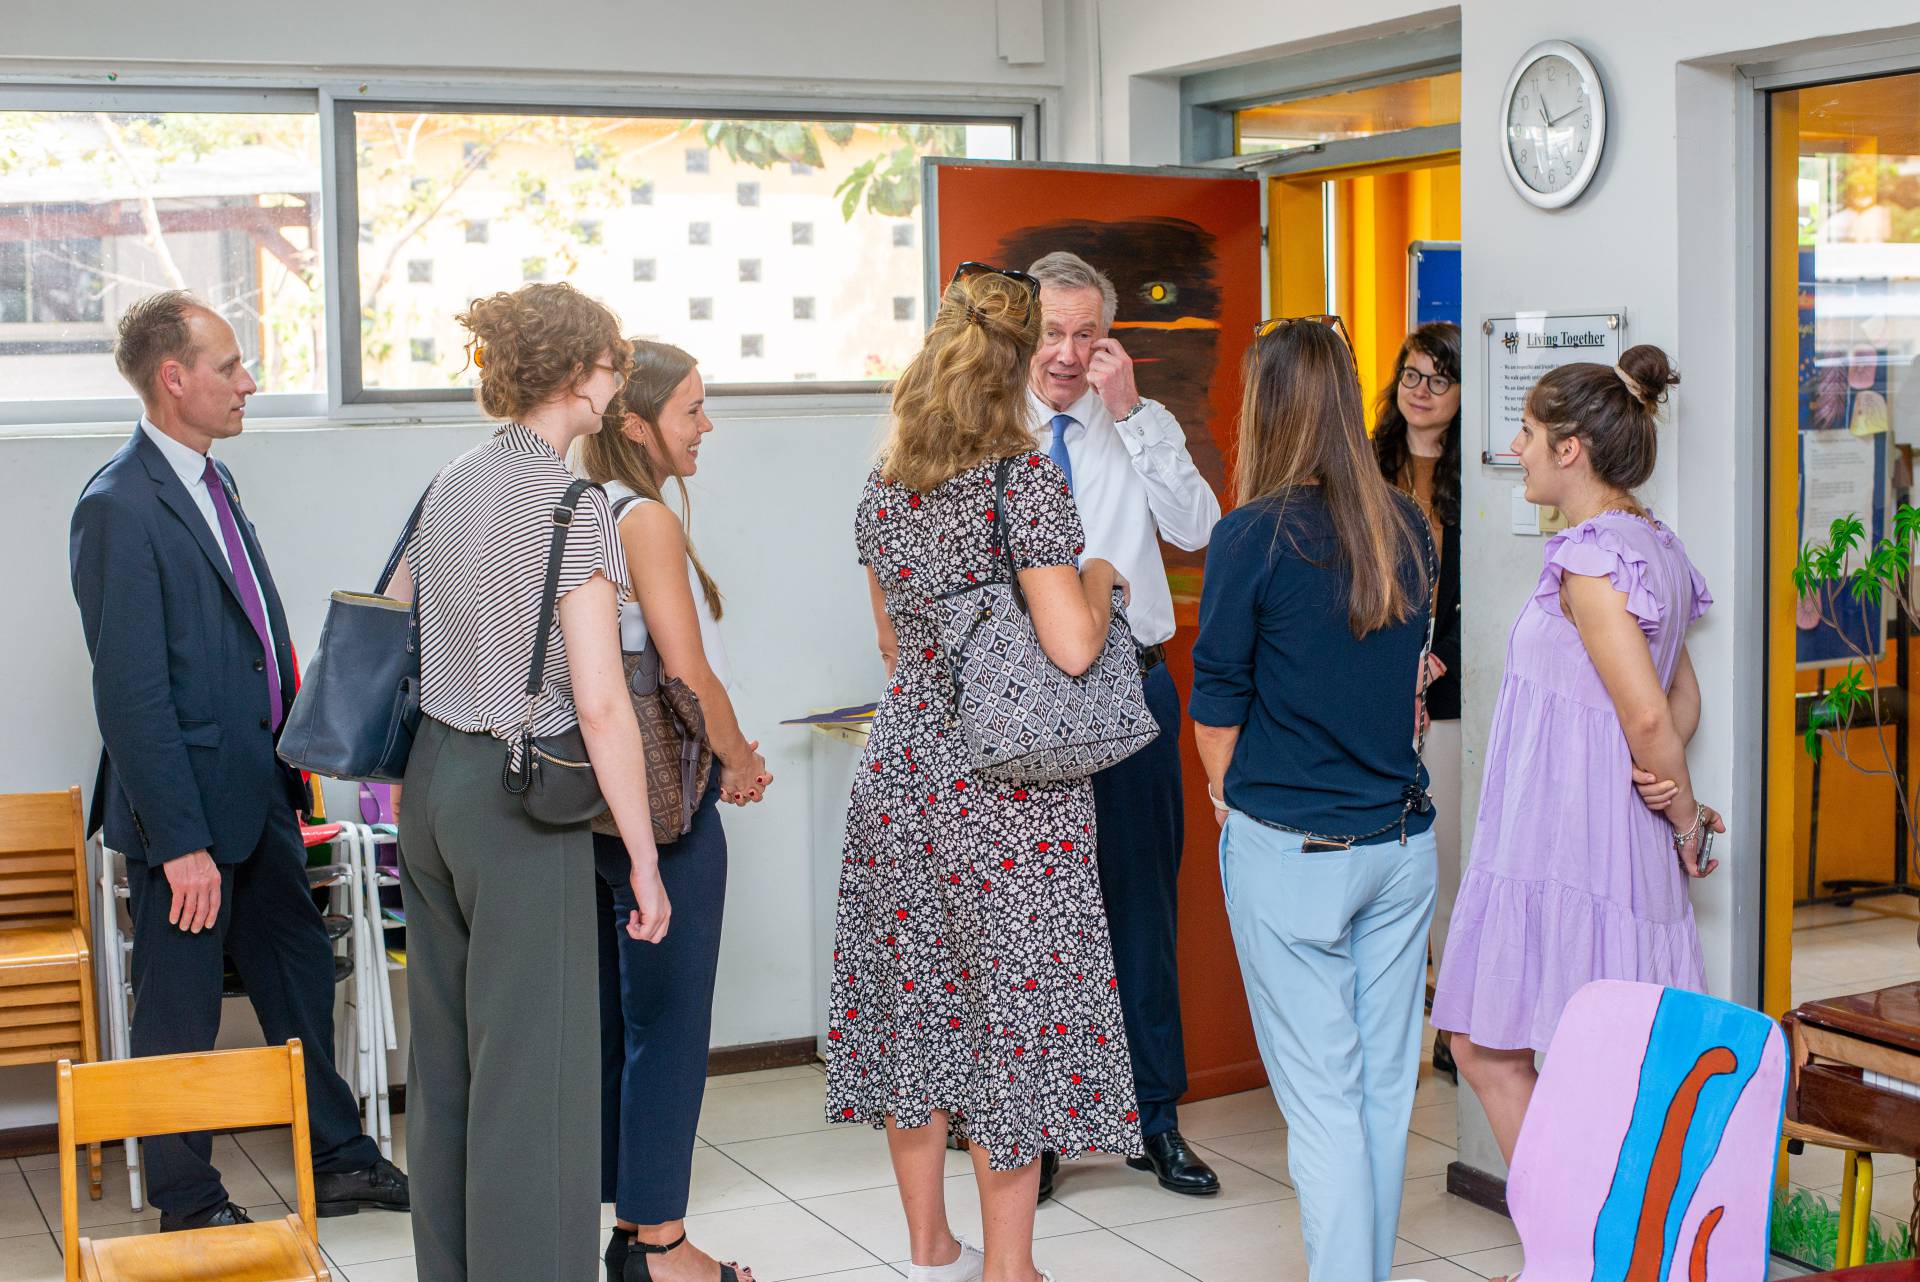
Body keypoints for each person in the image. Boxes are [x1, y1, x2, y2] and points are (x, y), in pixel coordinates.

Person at [825, 264, 1144, 1282]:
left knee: (915, 1008)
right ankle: (1011, 1267)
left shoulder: (886, 486)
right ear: (1015, 367)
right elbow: (1073, 648)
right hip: (1006, 791)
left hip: (901, 770)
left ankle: (932, 1251)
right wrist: (1101, 576)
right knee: (1017, 1016)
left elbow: (892, 643)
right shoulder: (1022, 481)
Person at [69, 291, 407, 1231]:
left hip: (258, 789)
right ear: (174, 378)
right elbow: (130, 695)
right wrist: (179, 842)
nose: (248, 382)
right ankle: (188, 1203)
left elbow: (248, 644)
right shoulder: (118, 505)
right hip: (183, 813)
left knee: (298, 977)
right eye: (229, 366)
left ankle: (336, 1159)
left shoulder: (213, 484)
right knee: (181, 1012)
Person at [388, 282, 667, 1282]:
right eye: (612, 365)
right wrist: (644, 859)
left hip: (431, 784)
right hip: (517, 798)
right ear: (577, 373)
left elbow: (396, 611)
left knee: (449, 1064)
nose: (615, 383)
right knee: (536, 1078)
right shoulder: (573, 504)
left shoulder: (452, 479)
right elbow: (602, 703)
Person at [1190, 316, 1438, 1282]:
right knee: (1381, 1095)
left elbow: (1218, 705)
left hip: (1292, 848)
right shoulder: (1406, 524)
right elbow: (1406, 684)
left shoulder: (1250, 534)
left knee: (1325, 1104)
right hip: (1400, 846)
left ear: (1265, 407)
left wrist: (1229, 802)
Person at [1430, 344, 1720, 1166]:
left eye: (1526, 433)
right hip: (1604, 836)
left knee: (1491, 1049)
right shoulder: (1651, 542)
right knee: (1597, 1063)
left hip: (1570, 841)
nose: (1514, 448)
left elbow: (1649, 715)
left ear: (1570, 450)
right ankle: (1596, 1229)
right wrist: (1661, 792)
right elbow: (1680, 699)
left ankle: (1575, 1232)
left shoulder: (1592, 559)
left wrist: (1685, 817)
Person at [1023, 250, 1222, 1200]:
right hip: (1024, 702)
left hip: (1132, 689)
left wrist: (1134, 412)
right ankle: (1040, 1128)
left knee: (1141, 908)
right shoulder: (986, 429)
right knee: (1037, 920)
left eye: (1085, 333)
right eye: (1050, 333)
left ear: (1109, 338)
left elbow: (1198, 528)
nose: (1067, 353)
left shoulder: (1139, 420)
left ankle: (1154, 1118)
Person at [578, 341, 771, 1282]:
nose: (706, 426)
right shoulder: (642, 517)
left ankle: (631, 1236)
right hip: (664, 808)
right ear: (635, 423)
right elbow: (686, 675)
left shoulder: (579, 509)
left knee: (622, 1025)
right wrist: (739, 757)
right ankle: (659, 1247)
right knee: (670, 1028)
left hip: (593, 812)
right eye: (690, 410)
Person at [1372, 321, 1465, 1082]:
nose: (1421, 391)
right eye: (1411, 374)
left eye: (1438, 379)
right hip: (1370, 688)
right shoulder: (1365, 465)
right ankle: (1396, 1019)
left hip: (1448, 690)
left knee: (1451, 862)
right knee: (1387, 863)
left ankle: (1455, 1020)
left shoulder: (1482, 475)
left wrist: (1441, 661)